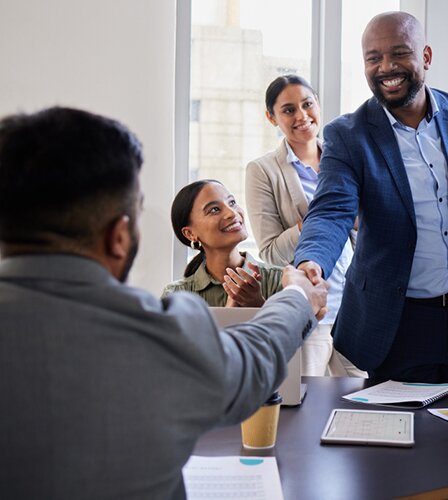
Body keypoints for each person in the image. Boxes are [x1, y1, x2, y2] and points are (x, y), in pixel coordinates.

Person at [0, 107, 327, 498]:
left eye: (230, 203)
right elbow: (249, 363)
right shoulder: (155, 326)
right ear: (119, 237)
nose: (230, 213)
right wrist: (296, 297)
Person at [294, 11, 448, 389]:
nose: (386, 67)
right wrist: (310, 262)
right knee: (399, 442)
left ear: (426, 57)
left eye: (399, 54)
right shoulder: (348, 135)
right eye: (373, 58)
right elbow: (332, 210)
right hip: (395, 324)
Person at [245, 75, 364, 376]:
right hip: (310, 311)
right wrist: (312, 223)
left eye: (307, 104)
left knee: (363, 398)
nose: (301, 116)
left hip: (354, 308)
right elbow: (270, 251)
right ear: (271, 117)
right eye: (288, 110)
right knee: (307, 405)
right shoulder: (263, 171)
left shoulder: (343, 159)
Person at [163, 179, 283, 307]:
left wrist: (258, 304)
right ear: (190, 234)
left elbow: (296, 327)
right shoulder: (175, 296)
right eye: (214, 209)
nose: (232, 213)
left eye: (232, 202)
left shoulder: (281, 280)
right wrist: (228, 314)